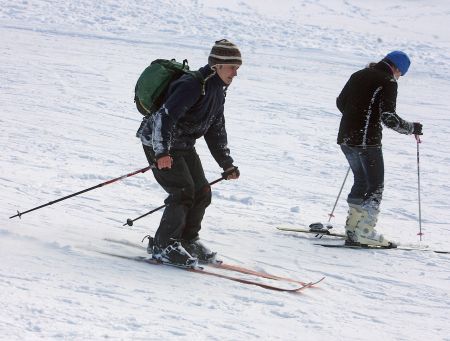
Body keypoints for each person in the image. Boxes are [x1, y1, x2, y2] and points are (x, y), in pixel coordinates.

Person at [137, 39, 241, 266]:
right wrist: (161, 151)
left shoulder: (217, 90)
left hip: (183, 145)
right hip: (159, 143)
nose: (235, 73)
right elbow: (164, 118)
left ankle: (187, 239)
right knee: (183, 191)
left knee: (202, 190)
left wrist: (227, 163)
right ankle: (164, 245)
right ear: (217, 65)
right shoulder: (193, 85)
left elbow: (216, 129)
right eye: (232, 67)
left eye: (237, 68)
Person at [336, 51, 423, 248]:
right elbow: (389, 118)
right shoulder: (388, 81)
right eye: (401, 74)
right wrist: (412, 128)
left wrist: (356, 118)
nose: (398, 77)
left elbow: (341, 102)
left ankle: (353, 229)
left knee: (361, 181)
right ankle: (365, 231)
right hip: (368, 142)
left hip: (346, 138)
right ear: (397, 68)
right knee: (375, 186)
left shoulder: (358, 74)